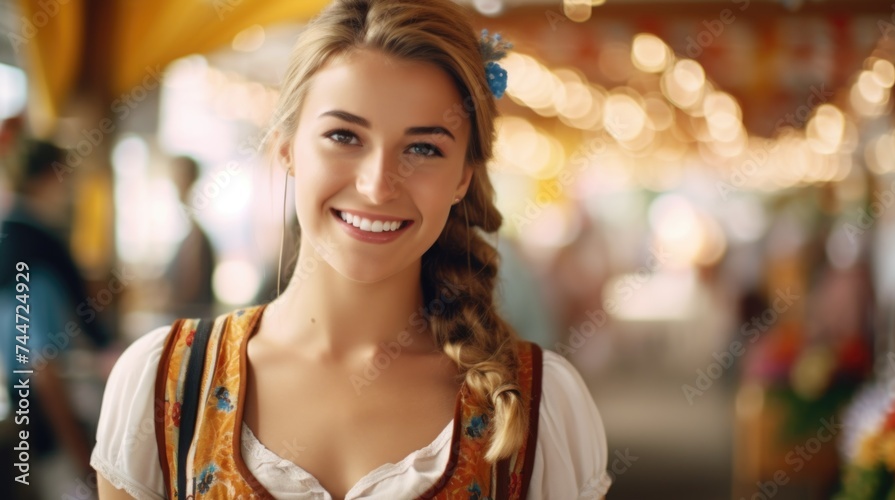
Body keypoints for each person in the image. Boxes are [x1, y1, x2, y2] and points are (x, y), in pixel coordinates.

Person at [90, 0, 611, 498]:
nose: (379, 185)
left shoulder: (538, 407)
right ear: (287, 151)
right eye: (344, 136)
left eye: (424, 148)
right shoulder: (162, 383)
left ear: (462, 180)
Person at [0, 138, 112, 499]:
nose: (71, 190)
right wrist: (83, 457)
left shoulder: (10, 241)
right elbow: (41, 366)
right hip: (52, 424)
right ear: (47, 178)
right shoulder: (37, 258)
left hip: (27, 419)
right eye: (67, 177)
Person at [163, 155, 217, 319]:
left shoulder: (197, 237)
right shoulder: (188, 232)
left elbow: (189, 289)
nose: (176, 186)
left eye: (179, 178)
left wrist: (164, 299)